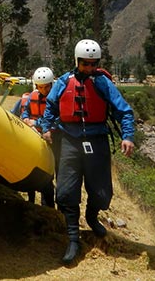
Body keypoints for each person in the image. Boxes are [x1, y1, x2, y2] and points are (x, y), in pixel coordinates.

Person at [38, 39, 135, 264]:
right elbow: (50, 108)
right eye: (85, 64)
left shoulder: (103, 83)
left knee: (102, 194)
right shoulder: (63, 82)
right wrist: (47, 128)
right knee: (64, 193)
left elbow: (124, 111)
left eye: (93, 64)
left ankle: (92, 218)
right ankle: (73, 238)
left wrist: (127, 136)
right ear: (77, 61)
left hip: (97, 140)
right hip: (69, 140)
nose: (90, 68)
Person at [21, 67, 56, 208]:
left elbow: (56, 118)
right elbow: (25, 112)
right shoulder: (32, 97)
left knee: (47, 176)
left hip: (51, 138)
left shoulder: (56, 98)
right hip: (34, 136)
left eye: (46, 87)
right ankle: (31, 201)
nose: (44, 90)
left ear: (51, 85)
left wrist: (36, 122)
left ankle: (48, 206)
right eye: (40, 87)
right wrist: (25, 119)